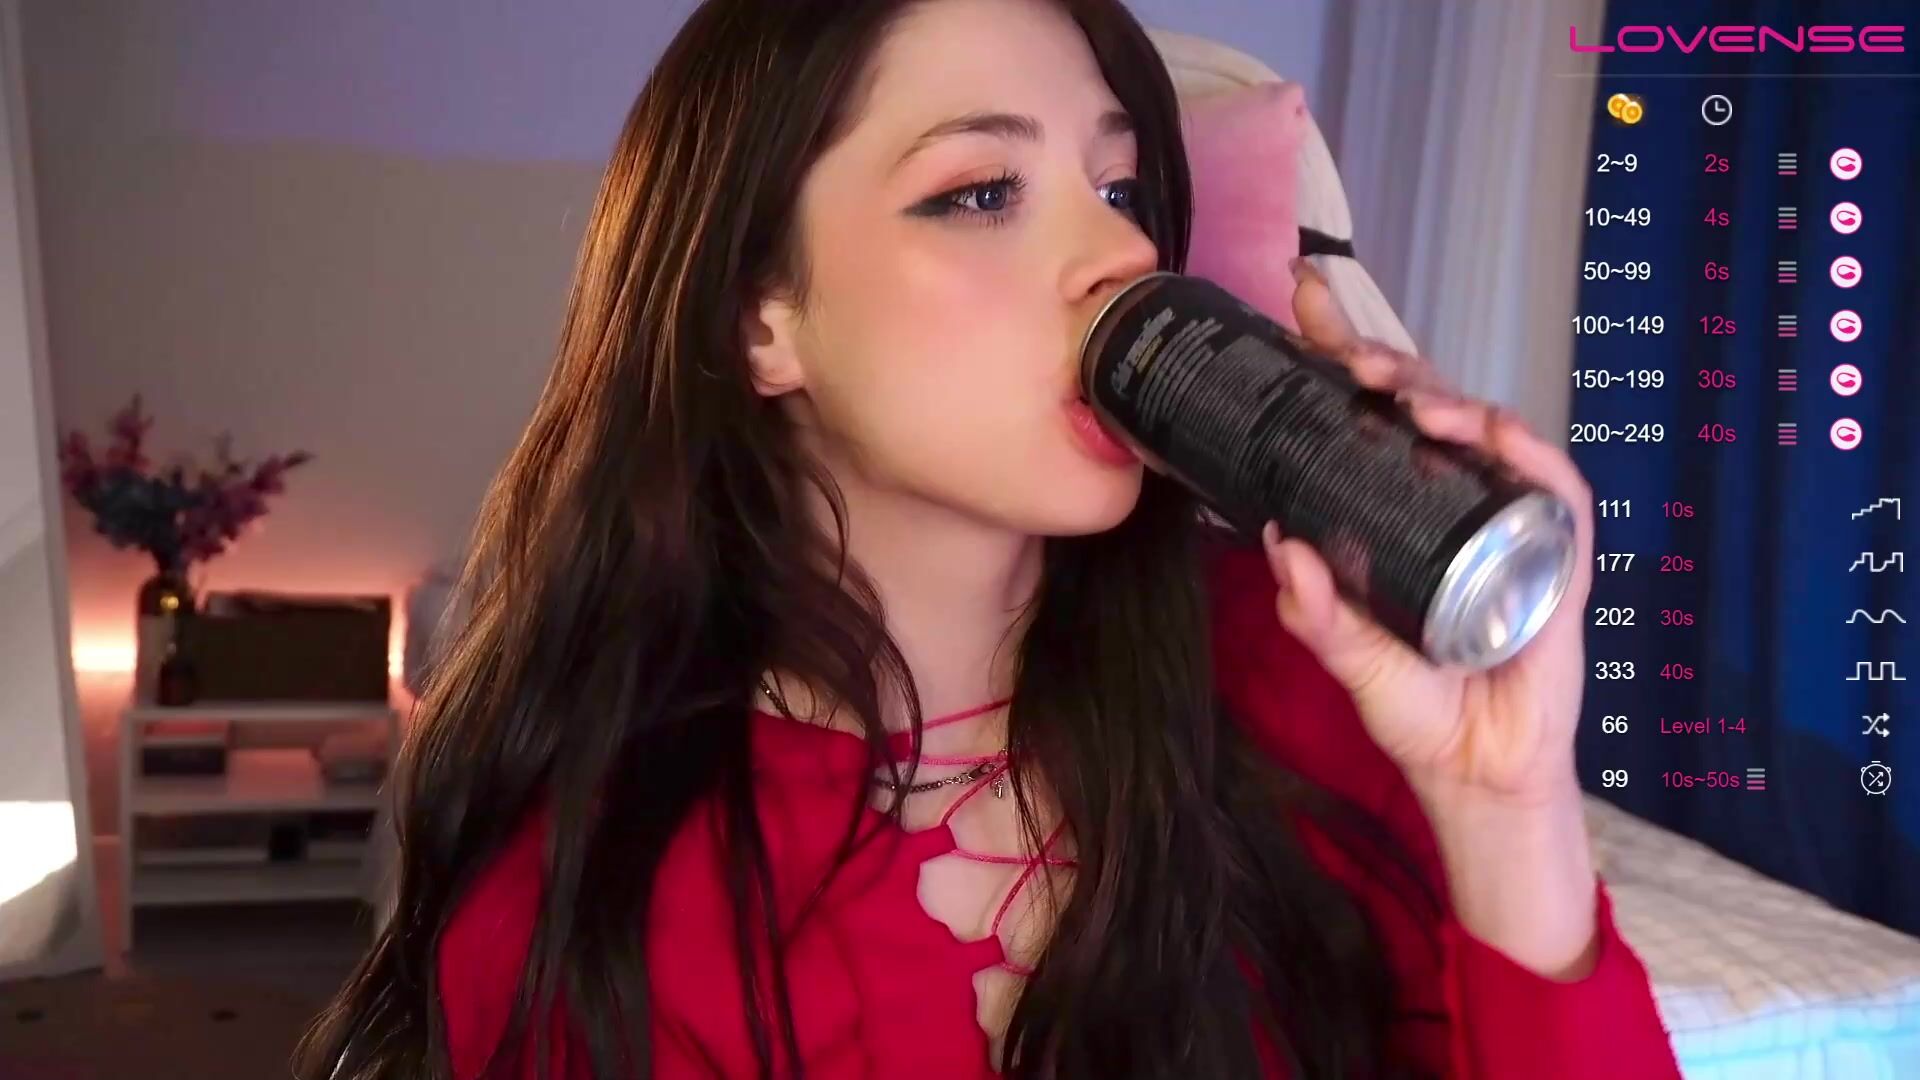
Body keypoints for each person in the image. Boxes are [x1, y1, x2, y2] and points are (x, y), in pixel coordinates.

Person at [297, 0, 1684, 1076]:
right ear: (757, 319)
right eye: (978, 193)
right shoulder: (595, 897)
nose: (1121, 257)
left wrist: (1511, 811)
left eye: (1123, 190)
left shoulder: (1307, 669)